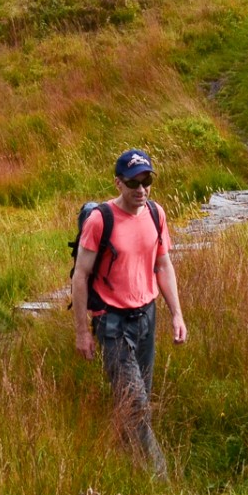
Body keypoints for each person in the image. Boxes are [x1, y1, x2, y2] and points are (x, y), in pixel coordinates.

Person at [71, 148, 187, 476]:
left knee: (134, 404)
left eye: (147, 181)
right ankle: (162, 481)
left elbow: (163, 264)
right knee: (136, 405)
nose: (141, 189)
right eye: (133, 183)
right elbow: (81, 276)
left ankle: (121, 467)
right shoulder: (100, 221)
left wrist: (176, 314)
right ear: (118, 183)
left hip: (146, 318)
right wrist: (82, 331)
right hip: (112, 323)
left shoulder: (155, 214)